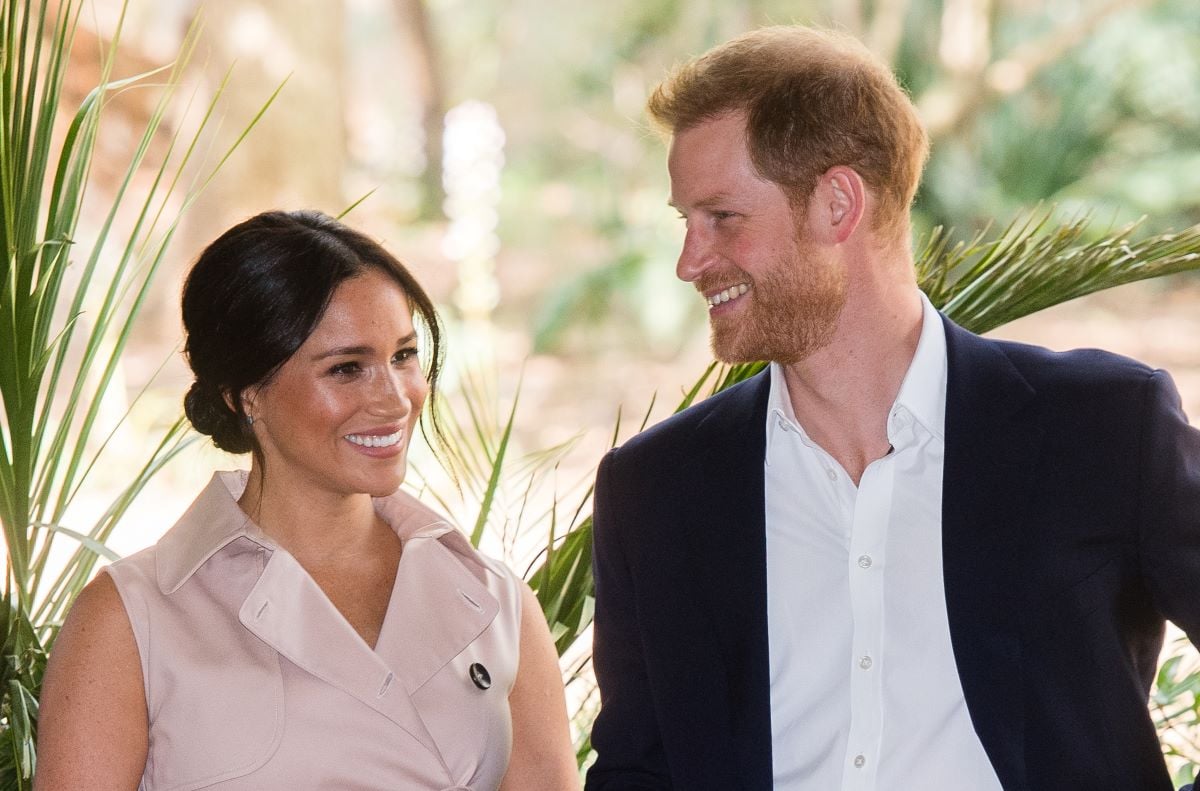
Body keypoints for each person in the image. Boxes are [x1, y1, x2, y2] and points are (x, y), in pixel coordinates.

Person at [585, 25, 1200, 791]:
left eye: (723, 218)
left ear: (838, 204)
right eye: (686, 223)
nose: (689, 262)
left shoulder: (1102, 428)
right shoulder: (655, 490)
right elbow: (637, 770)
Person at [37, 210, 579, 790]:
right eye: (348, 368)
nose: (395, 400)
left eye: (403, 356)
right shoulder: (131, 619)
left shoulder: (498, 603)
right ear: (246, 394)